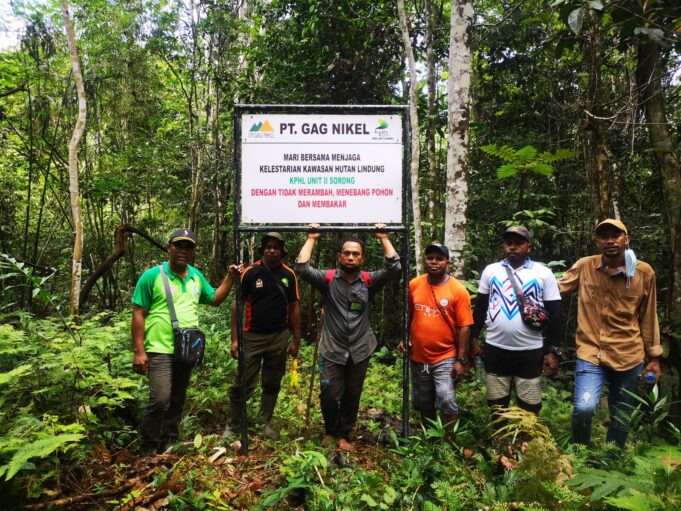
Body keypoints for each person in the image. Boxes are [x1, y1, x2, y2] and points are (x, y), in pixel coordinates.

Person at [132, 228, 239, 456]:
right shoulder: (152, 276)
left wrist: (230, 277)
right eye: (179, 245)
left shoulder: (196, 276)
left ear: (193, 251)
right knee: (160, 399)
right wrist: (139, 351)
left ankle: (169, 441)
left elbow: (214, 299)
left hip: (187, 348)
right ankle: (148, 446)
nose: (183, 250)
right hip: (159, 348)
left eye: (188, 247)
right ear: (169, 248)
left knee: (178, 398)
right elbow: (139, 313)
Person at [296, 224, 401, 451]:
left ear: (362, 258)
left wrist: (383, 237)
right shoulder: (328, 279)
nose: (351, 257)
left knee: (352, 394)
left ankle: (344, 434)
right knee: (329, 393)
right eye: (347, 253)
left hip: (360, 349)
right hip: (332, 349)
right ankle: (330, 430)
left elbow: (394, 268)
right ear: (339, 256)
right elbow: (302, 269)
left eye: (355, 254)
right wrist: (312, 238)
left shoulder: (369, 281)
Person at [558, 219, 662, 449]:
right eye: (604, 236)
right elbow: (556, 288)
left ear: (627, 239)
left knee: (621, 415)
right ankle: (580, 456)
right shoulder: (585, 266)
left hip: (628, 355)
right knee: (584, 408)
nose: (610, 241)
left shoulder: (644, 273)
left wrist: (654, 357)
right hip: (591, 352)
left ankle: (610, 461)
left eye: (616, 236)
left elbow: (648, 316)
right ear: (597, 242)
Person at [471, 226, 562, 416]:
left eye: (519, 243)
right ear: (503, 246)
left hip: (530, 350)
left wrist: (553, 351)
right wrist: (473, 339)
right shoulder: (491, 271)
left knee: (529, 405)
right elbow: (480, 307)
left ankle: (526, 435)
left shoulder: (543, 273)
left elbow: (554, 313)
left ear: (529, 247)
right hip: (495, 348)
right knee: (497, 403)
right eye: (508, 243)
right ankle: (500, 433)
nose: (512, 247)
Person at [221, 232, 302, 440]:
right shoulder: (250, 273)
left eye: (276, 247)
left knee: (272, 381)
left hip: (279, 336)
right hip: (252, 336)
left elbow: (294, 307)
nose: (271, 250)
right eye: (268, 247)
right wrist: (235, 339)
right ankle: (232, 426)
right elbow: (237, 305)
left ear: (282, 251)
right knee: (243, 381)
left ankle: (264, 422)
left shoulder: (289, 275)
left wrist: (296, 339)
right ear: (262, 250)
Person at [402, 243, 473, 435]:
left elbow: (465, 326)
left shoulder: (458, 290)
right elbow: (408, 315)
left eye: (439, 259)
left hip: (445, 356)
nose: (434, 262)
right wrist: (404, 338)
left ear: (447, 262)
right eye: (430, 258)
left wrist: (461, 360)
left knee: (446, 398)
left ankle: (449, 442)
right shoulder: (414, 284)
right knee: (423, 401)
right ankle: (430, 438)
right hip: (419, 356)